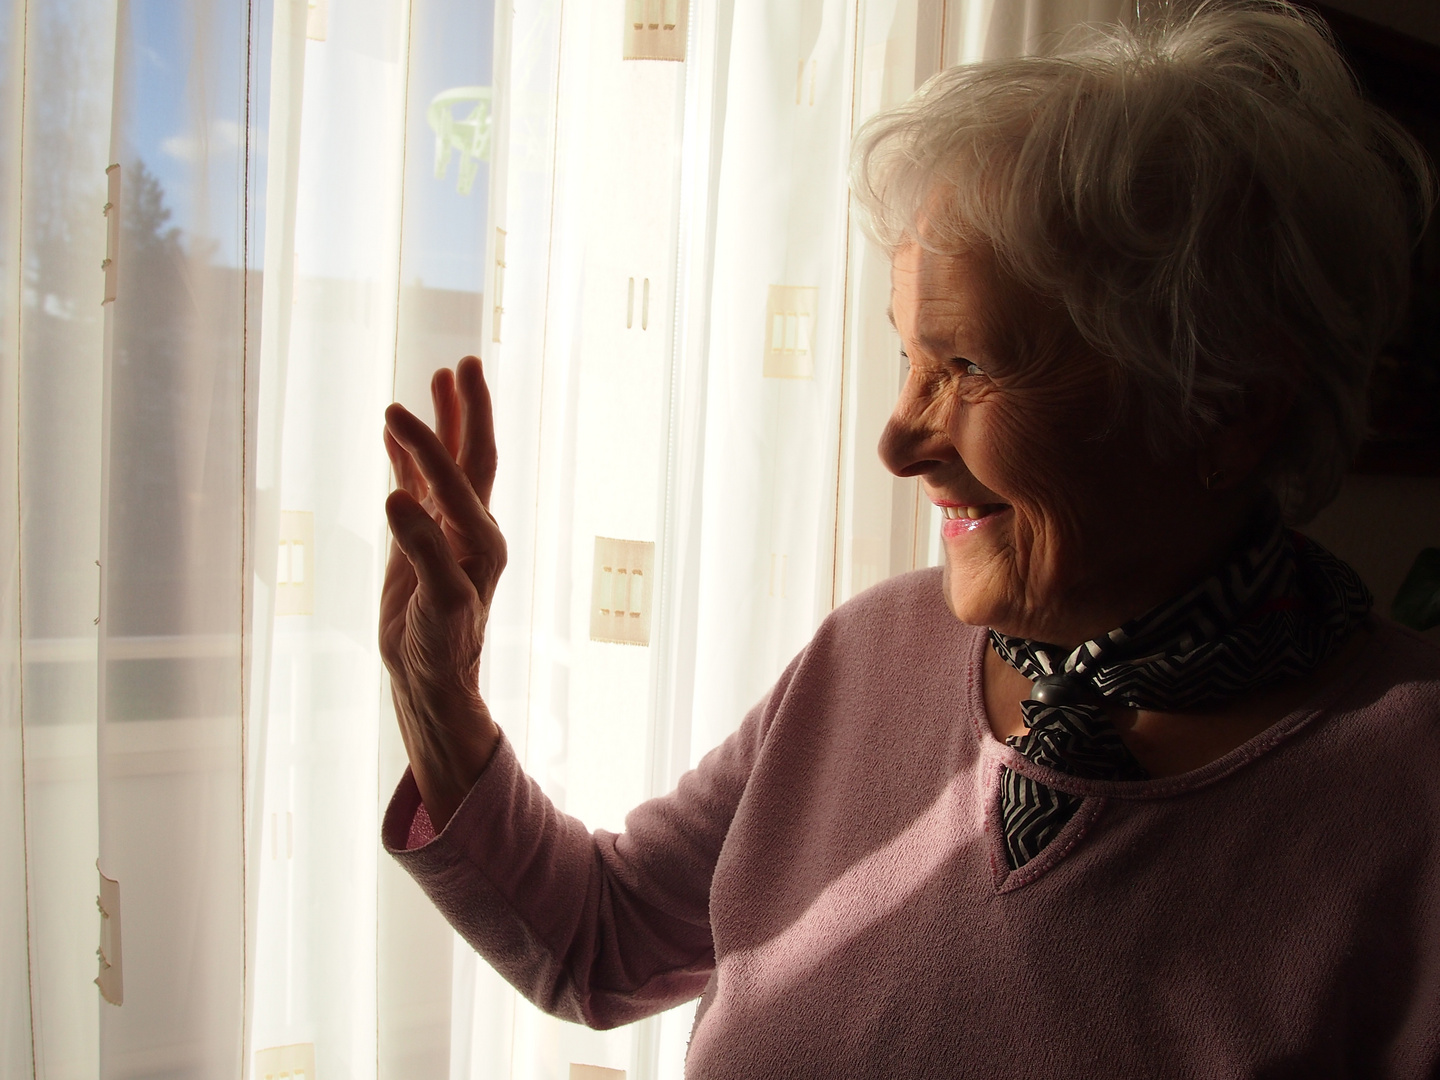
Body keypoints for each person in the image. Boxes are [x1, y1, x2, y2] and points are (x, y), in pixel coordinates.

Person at [378, 1, 1440, 1074]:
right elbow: (599, 945)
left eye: (970, 365)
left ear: (1228, 406)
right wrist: (438, 696)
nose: (897, 441)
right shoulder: (870, 652)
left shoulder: (1410, 795)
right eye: (907, 358)